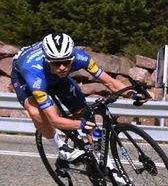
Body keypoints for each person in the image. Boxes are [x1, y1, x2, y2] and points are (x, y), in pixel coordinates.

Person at [11, 33, 145, 175]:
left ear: (72, 58)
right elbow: (54, 120)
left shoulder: (81, 57)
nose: (62, 67)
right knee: (35, 111)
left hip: (56, 78)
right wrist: (79, 125)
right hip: (25, 78)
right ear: (47, 60)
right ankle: (61, 148)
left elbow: (109, 82)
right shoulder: (33, 72)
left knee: (83, 111)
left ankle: (103, 162)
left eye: (66, 62)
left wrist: (132, 94)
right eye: (56, 63)